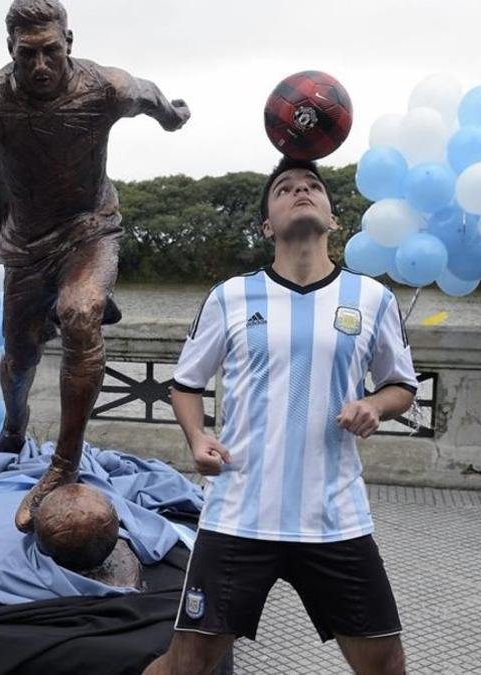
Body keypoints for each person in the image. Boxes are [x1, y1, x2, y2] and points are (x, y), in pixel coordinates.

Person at [143, 157, 416, 675]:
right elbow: (185, 384)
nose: (301, 191)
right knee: (188, 663)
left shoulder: (373, 298)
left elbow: (401, 384)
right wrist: (197, 436)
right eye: (285, 188)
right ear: (268, 224)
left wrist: (374, 405)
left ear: (334, 217)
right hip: (241, 512)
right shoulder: (231, 296)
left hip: (335, 518)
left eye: (312, 185)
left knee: (385, 665)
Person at [0, 0, 190, 533]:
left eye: (50, 51)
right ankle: (13, 427)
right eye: (27, 55)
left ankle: (64, 463)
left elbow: (151, 97)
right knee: (20, 356)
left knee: (81, 315)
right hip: (26, 245)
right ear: (10, 51)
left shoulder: (106, 88)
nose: (40, 66)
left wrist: (175, 116)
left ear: (68, 43)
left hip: (89, 228)